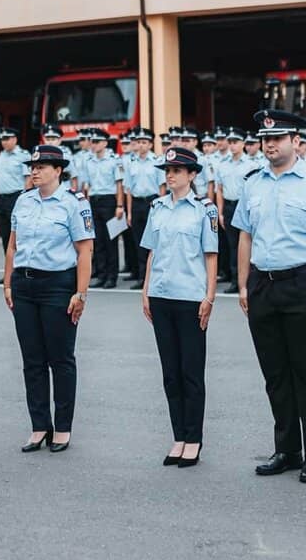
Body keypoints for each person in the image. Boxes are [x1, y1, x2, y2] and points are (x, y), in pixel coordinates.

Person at [234, 109, 306, 485]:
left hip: (304, 282)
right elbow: (245, 235)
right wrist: (244, 283)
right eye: (265, 139)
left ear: (295, 141)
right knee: (275, 373)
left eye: (277, 138)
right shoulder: (252, 183)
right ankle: (287, 449)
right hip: (263, 284)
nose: (269, 144)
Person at [3, 145, 94, 453]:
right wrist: (7, 283)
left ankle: (63, 427)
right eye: (33, 166)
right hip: (24, 285)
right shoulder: (23, 201)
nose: (35, 170)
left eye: (43, 166)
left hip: (58, 285)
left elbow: (85, 251)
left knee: (61, 359)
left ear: (58, 170)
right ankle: (39, 425)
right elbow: (12, 246)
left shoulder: (73, 203)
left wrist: (80, 293)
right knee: (32, 360)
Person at [141, 146, 218, 468]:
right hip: (161, 295)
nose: (170, 176)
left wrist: (209, 296)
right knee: (170, 373)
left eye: (176, 171)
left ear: (192, 175)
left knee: (191, 373)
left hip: (190, 297)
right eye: (167, 171)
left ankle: (194, 438)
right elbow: (152, 252)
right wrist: (145, 291)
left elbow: (211, 255)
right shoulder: (157, 207)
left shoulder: (204, 209)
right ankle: (178, 436)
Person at [81, 128, 124, 289]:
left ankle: (112, 276)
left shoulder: (114, 160)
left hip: (109, 201)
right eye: (92, 142)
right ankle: (102, 273)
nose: (93, 145)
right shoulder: (89, 161)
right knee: (97, 240)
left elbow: (119, 184)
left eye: (97, 142)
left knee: (110, 240)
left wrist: (119, 205)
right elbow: (86, 186)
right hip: (94, 201)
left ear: (105, 143)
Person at [124, 127, 163, 291]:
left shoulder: (157, 161)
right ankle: (142, 277)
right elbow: (128, 190)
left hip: (152, 202)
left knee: (155, 242)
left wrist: (160, 208)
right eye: (139, 142)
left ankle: (156, 276)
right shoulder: (131, 163)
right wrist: (129, 212)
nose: (141, 145)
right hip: (137, 203)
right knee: (139, 242)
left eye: (144, 142)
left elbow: (162, 188)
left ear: (150, 144)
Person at [215, 129, 251, 294]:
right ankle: (236, 280)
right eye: (230, 142)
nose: (232, 145)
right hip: (229, 207)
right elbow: (220, 190)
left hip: (244, 207)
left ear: (243, 143)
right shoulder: (222, 164)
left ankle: (248, 280)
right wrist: (220, 213)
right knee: (232, 246)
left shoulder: (251, 165)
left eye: (235, 142)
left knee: (247, 244)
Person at [0, 127, 30, 278]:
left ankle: (20, 270)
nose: (4, 142)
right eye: (2, 139)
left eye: (7, 139)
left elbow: (28, 180)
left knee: (18, 237)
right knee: (5, 237)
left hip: (16, 198)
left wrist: (25, 200)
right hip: (3, 198)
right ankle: (9, 272)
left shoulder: (23, 155)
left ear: (15, 139)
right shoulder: (1, 155)